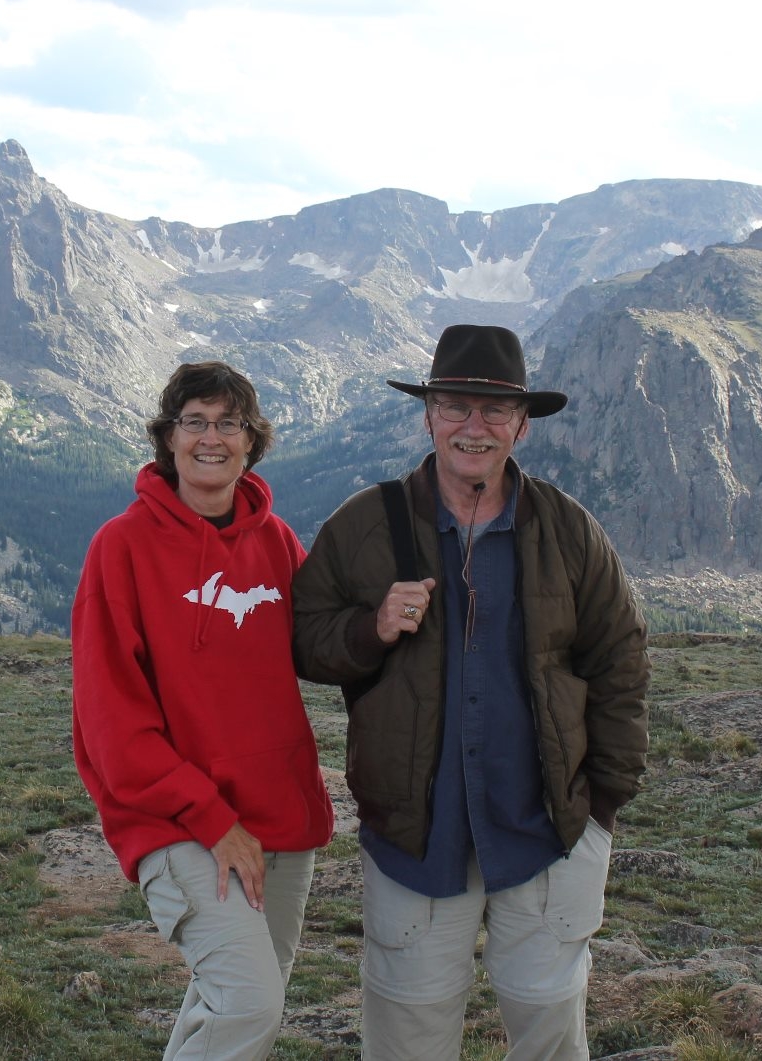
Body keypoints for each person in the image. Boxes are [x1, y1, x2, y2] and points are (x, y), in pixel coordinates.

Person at [292, 324, 650, 1061]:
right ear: (428, 414)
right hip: (417, 843)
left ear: (522, 423)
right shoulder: (366, 525)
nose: (474, 426)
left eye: (494, 410)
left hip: (549, 834)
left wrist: (602, 806)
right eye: (456, 404)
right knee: (408, 1037)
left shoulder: (570, 531)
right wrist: (370, 629)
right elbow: (303, 637)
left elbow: (619, 659)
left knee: (550, 1030)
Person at [72, 360, 335, 1061]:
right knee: (247, 1002)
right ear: (169, 437)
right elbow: (112, 727)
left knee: (238, 1004)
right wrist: (213, 820)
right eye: (195, 422)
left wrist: (388, 618)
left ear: (252, 441)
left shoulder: (275, 542)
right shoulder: (121, 547)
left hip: (279, 819)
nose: (211, 438)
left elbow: (325, 643)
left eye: (229, 423)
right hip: (179, 822)